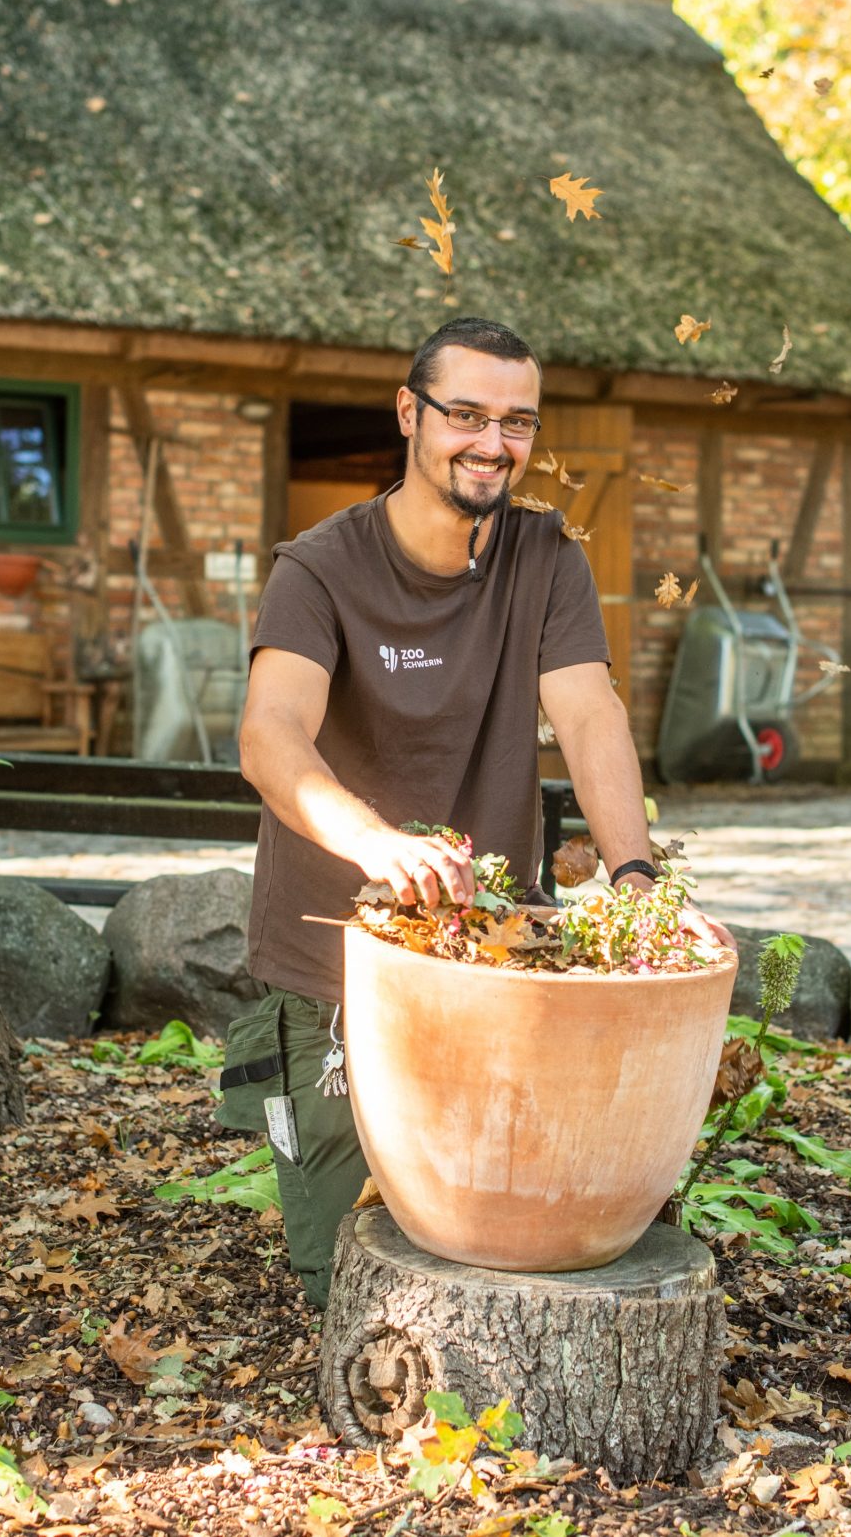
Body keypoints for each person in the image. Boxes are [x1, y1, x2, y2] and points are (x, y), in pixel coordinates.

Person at [220, 316, 731, 1308]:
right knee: (352, 1280)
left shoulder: (547, 559)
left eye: (518, 423)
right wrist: (373, 841)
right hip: (336, 964)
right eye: (466, 415)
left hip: (497, 958)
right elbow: (268, 735)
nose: (493, 444)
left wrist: (634, 879)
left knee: (532, 1245)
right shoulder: (318, 567)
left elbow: (588, 715)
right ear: (410, 413)